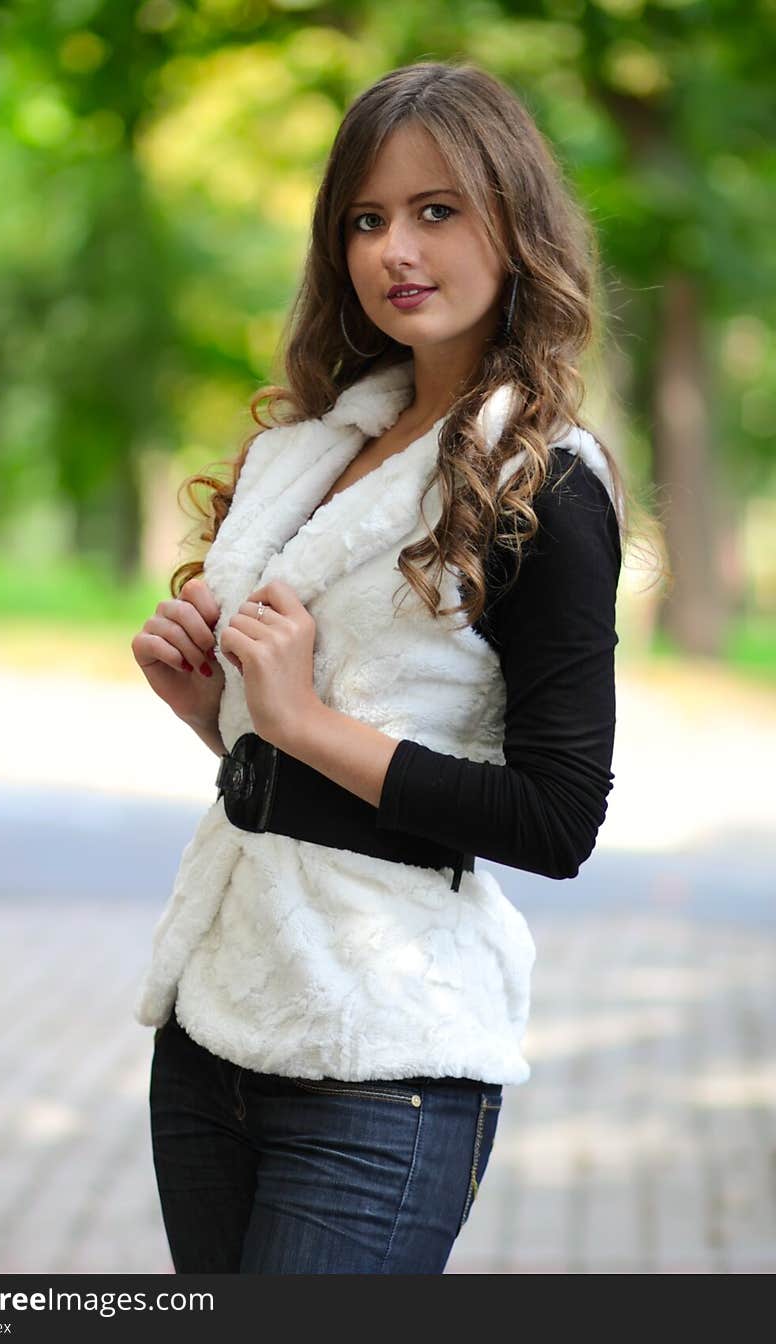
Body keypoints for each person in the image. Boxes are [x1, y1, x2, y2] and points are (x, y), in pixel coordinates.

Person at [130, 59, 629, 1275]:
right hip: (215, 1022)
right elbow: (318, 746)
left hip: (385, 1061)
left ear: (515, 221)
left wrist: (292, 719)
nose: (394, 248)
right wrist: (221, 715)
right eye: (365, 219)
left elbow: (556, 818)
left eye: (435, 209)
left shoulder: (545, 481)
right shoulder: (310, 450)